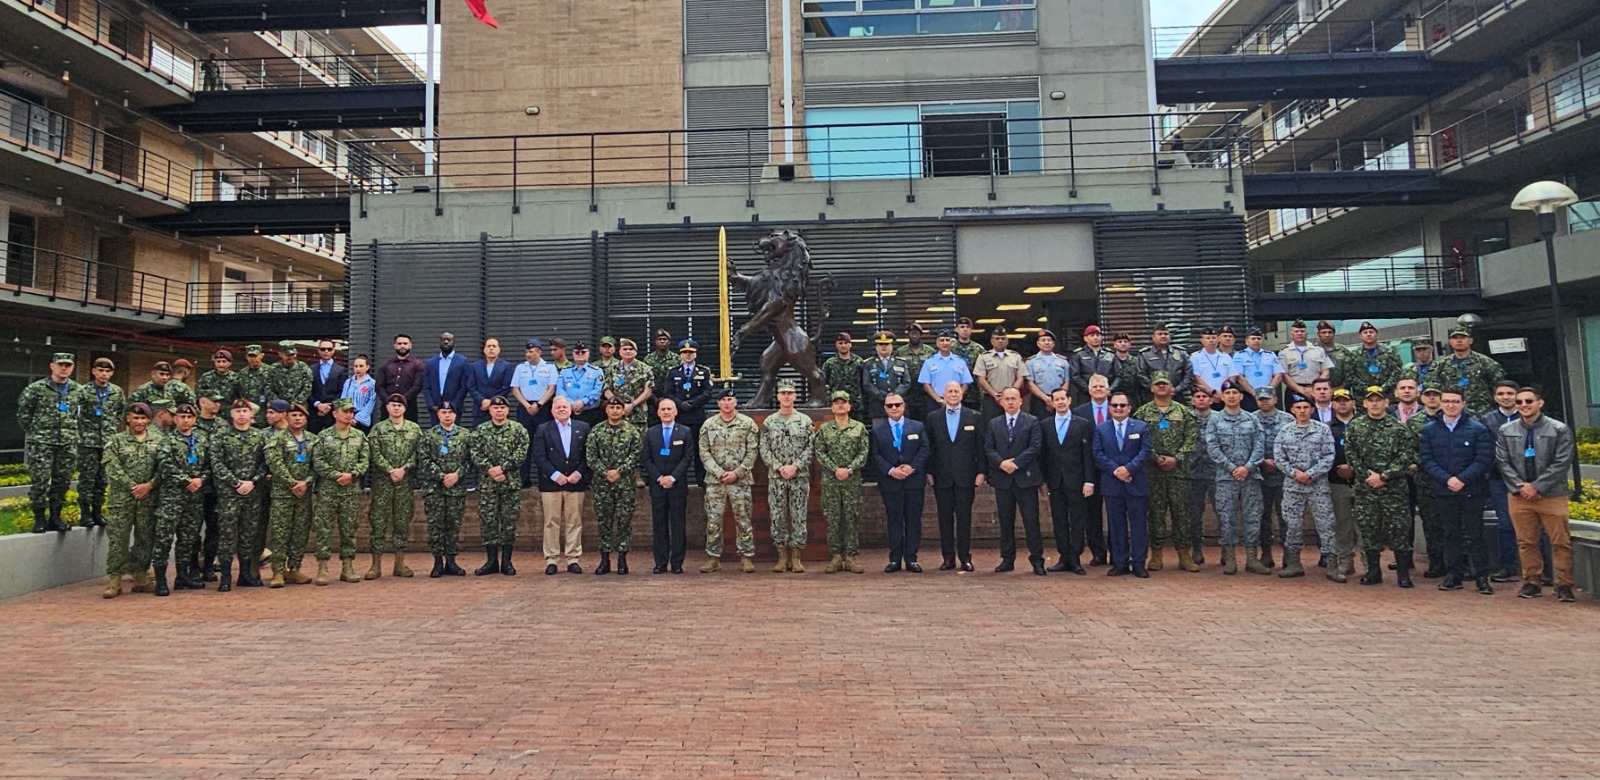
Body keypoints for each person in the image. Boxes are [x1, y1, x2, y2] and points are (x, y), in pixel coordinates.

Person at [1494, 386, 1577, 601]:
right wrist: (1520, 486)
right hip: (1519, 495)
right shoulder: (1506, 430)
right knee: (1526, 542)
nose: (1524, 405)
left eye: (1528, 401)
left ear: (1540, 403)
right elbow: (1502, 462)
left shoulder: (1559, 429)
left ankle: (1564, 584)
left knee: (1560, 542)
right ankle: (1532, 582)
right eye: (1520, 402)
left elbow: (1562, 462)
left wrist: (1537, 486)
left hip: (1552, 495)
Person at [1420, 388, 1496, 595]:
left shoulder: (1478, 429)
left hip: (1472, 490)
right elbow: (1427, 460)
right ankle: (1454, 575)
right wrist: (1448, 479)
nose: (1450, 405)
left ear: (1463, 403)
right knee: (1450, 534)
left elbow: (1483, 459)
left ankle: (1481, 577)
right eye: (1447, 401)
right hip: (1444, 490)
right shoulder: (1429, 430)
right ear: (1441, 404)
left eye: (1455, 401)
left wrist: (1462, 479)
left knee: (1475, 535)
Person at [1345, 385, 1419, 587]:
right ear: (1365, 403)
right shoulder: (1355, 426)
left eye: (1379, 400)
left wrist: (1385, 476)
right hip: (1366, 487)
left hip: (1393, 488)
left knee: (1399, 529)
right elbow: (1350, 453)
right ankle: (1373, 572)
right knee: (1369, 529)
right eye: (1371, 400)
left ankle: (1403, 574)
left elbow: (1406, 456)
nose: (1375, 403)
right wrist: (1367, 475)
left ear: (1387, 403)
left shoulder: (1399, 428)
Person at [1132, 372, 1199, 572]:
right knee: (1155, 513)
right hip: (1153, 471)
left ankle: (1184, 554)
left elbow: (1192, 438)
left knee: (1181, 513)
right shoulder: (1142, 413)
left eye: (1165, 384)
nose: (1161, 387)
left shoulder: (1184, 412)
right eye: (1158, 384)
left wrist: (1176, 458)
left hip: (1179, 472)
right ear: (1151, 388)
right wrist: (1155, 457)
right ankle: (1156, 554)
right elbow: (1137, 438)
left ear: (1172, 388)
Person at [1204, 382, 1267, 575]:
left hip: (1250, 476)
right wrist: (1232, 468)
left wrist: (1247, 467)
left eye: (1235, 393)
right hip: (1225, 477)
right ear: (1222, 397)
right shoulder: (1214, 420)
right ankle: (1230, 558)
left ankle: (1252, 558)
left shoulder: (1252, 419)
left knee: (1253, 517)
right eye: (1228, 393)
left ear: (1241, 396)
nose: (1231, 396)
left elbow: (1259, 445)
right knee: (1226, 517)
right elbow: (1212, 447)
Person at [101, 403, 162, 598]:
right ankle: (115, 580)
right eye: (135, 418)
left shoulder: (159, 440)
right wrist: (133, 486)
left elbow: (165, 467)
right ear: (127, 419)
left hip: (148, 498)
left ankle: (141, 577)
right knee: (118, 539)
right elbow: (112, 467)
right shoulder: (116, 441)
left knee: (145, 538)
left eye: (143, 418)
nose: (139, 422)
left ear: (149, 420)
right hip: (122, 499)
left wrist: (149, 485)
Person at [1274, 395, 1337, 579]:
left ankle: (1332, 564)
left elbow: (1329, 456)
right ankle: (1294, 563)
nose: (1302, 411)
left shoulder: (1323, 430)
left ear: (1312, 410)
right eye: (1298, 407)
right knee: (1292, 525)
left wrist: (1310, 473)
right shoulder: (1284, 431)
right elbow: (1279, 457)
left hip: (1317, 485)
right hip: (1293, 486)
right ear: (1292, 410)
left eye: (1305, 407)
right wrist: (1295, 474)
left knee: (1326, 524)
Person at [1482, 380, 1539, 582]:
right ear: (1495, 397)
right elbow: (1487, 451)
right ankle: (1508, 566)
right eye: (1501, 393)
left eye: (1509, 393)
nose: (1505, 397)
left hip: (1531, 480)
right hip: (1499, 480)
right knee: (1505, 524)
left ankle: (1539, 570)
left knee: (1534, 525)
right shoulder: (1487, 420)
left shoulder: (1529, 418)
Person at [984, 387, 1045, 575]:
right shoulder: (993, 423)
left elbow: (1035, 447)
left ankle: (1037, 560)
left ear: (1020, 401)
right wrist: (1001, 463)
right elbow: (988, 448)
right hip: (1003, 479)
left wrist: (1016, 463)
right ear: (1001, 402)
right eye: (1007, 399)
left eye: (1014, 399)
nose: (1010, 402)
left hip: (1025, 478)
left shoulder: (1032, 421)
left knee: (1031, 521)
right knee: (1005, 521)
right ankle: (1007, 559)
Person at [698, 388, 759, 573]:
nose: (726, 403)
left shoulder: (747, 423)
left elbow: (752, 451)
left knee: (743, 519)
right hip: (715, 482)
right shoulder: (708, 425)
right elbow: (703, 451)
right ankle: (713, 557)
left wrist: (737, 473)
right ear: (718, 403)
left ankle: (746, 557)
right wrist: (718, 472)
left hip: (740, 481)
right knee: (713, 520)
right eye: (723, 399)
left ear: (735, 402)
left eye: (730, 399)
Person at [926, 380, 984, 572]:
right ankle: (948, 558)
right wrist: (929, 472)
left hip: (966, 476)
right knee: (944, 518)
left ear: (962, 394)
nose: (953, 394)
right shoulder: (933, 417)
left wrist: (981, 472)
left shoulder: (974, 417)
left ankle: (965, 557)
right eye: (949, 391)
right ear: (943, 394)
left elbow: (980, 448)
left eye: (956, 391)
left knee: (964, 517)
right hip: (941, 476)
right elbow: (930, 448)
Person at [1093, 391, 1153, 578]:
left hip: (1136, 482)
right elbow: (1097, 453)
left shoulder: (1142, 427)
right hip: (1112, 484)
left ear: (1129, 408)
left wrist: (1128, 469)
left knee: (1138, 525)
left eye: (1122, 405)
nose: (1118, 409)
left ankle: (1138, 563)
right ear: (1109, 408)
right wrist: (1116, 470)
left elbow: (1145, 451)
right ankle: (1119, 562)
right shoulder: (1101, 429)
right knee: (1115, 525)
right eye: (1115, 406)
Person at [531, 396, 592, 575]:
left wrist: (578, 474)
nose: (562, 410)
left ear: (571, 409)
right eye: (558, 407)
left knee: (574, 521)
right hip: (551, 484)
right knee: (551, 522)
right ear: (552, 411)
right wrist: (555, 475)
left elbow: (588, 455)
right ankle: (552, 559)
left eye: (565, 407)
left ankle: (573, 559)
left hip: (575, 483)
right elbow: (539, 456)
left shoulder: (583, 428)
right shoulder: (543, 429)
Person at [210, 399, 266, 591]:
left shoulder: (259, 437)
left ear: (251, 415)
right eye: (238, 411)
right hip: (229, 495)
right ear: (231, 415)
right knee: (227, 536)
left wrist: (253, 481)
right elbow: (216, 464)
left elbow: (265, 463)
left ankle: (245, 574)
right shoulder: (221, 436)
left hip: (252, 493)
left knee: (248, 535)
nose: (241, 414)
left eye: (245, 411)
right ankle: (225, 577)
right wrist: (236, 482)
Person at [311, 399, 368, 585]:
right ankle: (323, 567)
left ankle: (348, 566)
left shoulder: (359, 436)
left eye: (352, 411)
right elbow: (318, 461)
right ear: (335, 413)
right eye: (345, 411)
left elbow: (365, 461)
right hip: (328, 489)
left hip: (351, 490)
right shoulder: (323, 436)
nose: (349, 414)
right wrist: (337, 475)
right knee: (323, 528)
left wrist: (352, 474)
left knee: (349, 528)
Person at [153, 403, 209, 592]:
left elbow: (211, 464)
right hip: (172, 498)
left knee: (188, 538)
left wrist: (201, 479)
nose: (185, 420)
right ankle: (161, 580)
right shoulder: (167, 441)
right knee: (164, 538)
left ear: (194, 420)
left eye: (189, 417)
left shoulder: (202, 440)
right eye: (181, 417)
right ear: (175, 419)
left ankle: (182, 576)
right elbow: (165, 465)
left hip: (195, 498)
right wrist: (187, 481)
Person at [470, 396, 528, 576]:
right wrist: (490, 469)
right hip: (488, 484)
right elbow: (475, 452)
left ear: (508, 410)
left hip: (509, 483)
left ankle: (507, 561)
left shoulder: (518, 430)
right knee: (489, 521)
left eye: (502, 408)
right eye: (495, 408)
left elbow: (521, 452)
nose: (499, 411)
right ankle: (491, 560)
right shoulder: (481, 430)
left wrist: (503, 468)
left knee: (509, 522)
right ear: (490, 410)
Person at [760, 379, 814, 573]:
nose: (786, 396)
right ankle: (782, 556)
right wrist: (778, 467)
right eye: (783, 393)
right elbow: (764, 448)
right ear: (777, 396)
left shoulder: (805, 421)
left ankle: (797, 557)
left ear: (795, 396)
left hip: (799, 477)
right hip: (776, 477)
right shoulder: (769, 422)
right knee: (777, 516)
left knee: (799, 515)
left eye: (790, 393)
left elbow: (810, 447)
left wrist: (795, 467)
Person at [871, 392, 929, 573]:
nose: (894, 408)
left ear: (904, 406)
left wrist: (912, 467)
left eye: (897, 404)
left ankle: (911, 558)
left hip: (913, 481)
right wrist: (891, 470)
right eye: (890, 406)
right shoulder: (877, 430)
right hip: (891, 482)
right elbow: (875, 455)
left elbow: (925, 449)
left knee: (913, 520)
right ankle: (895, 559)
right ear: (885, 408)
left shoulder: (917, 427)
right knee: (894, 520)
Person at [367, 394, 422, 579]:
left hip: (404, 483)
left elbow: (418, 453)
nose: (396, 408)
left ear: (405, 408)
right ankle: (376, 565)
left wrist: (404, 469)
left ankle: (400, 563)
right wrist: (390, 469)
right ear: (387, 407)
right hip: (383, 483)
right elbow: (374, 453)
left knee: (402, 521)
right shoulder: (378, 429)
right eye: (393, 405)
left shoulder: (414, 429)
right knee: (378, 522)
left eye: (400, 405)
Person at [586, 396, 643, 575]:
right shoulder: (596, 431)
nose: (615, 411)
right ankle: (604, 559)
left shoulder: (632, 431)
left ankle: (622, 558)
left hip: (624, 483)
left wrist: (619, 471)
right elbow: (591, 456)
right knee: (604, 521)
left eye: (618, 407)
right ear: (606, 410)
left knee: (624, 521)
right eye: (612, 407)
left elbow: (636, 455)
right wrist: (605, 472)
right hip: (602, 484)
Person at [1041, 388, 1095, 574]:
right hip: (1055, 480)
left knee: (1078, 519)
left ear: (1069, 400)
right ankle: (1063, 557)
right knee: (1059, 520)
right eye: (1056, 399)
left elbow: (1088, 455)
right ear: (1052, 402)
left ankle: (1075, 558)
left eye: (1063, 398)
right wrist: (1043, 480)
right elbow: (1043, 455)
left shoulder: (1083, 424)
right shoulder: (1046, 425)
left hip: (1077, 480)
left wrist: (1089, 481)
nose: (1061, 402)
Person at [815, 391, 869, 574]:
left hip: (852, 480)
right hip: (831, 480)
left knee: (851, 517)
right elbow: (820, 453)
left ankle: (852, 556)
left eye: (843, 402)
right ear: (831, 407)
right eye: (836, 403)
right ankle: (836, 556)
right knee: (833, 518)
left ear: (849, 406)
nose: (840, 405)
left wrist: (850, 469)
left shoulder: (859, 428)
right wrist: (835, 469)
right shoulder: (824, 429)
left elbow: (863, 453)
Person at [263, 403, 316, 588]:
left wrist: (306, 482)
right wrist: (291, 482)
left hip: (304, 494)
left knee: (300, 532)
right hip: (283, 493)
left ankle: (294, 568)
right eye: (293, 415)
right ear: (287, 417)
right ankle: (278, 571)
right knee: (280, 532)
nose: (298, 418)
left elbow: (316, 466)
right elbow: (274, 463)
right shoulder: (278, 439)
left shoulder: (312, 440)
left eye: (301, 416)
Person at [419, 400, 471, 578]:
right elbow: (424, 460)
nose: (447, 416)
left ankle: (451, 561)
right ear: (438, 414)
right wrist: (442, 476)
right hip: (435, 488)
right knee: (436, 525)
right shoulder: (429, 435)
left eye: (450, 413)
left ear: (455, 415)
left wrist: (457, 474)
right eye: (443, 412)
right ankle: (437, 562)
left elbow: (470, 461)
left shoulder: (465, 435)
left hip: (456, 488)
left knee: (453, 525)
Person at [644, 398, 693, 574]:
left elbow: (687, 458)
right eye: (663, 409)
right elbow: (646, 459)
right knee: (659, 525)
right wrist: (659, 478)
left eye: (669, 409)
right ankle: (661, 562)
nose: (666, 412)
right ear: (658, 412)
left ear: (675, 412)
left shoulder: (685, 432)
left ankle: (678, 562)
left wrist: (672, 477)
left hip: (677, 485)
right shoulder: (650, 433)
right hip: (657, 486)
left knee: (678, 524)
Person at [75, 356, 125, 529]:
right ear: (94, 371)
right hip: (88, 442)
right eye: (101, 370)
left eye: (107, 371)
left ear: (111, 373)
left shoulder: (116, 392)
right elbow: (75, 413)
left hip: (107, 443)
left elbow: (120, 413)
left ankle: (97, 511)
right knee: (87, 479)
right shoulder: (83, 391)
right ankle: (85, 513)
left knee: (102, 479)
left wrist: (110, 428)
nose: (104, 374)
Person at [658, 339, 714, 486]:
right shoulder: (673, 372)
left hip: (696, 416)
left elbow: (708, 393)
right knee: (677, 449)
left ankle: (701, 480)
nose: (688, 355)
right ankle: (677, 479)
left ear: (695, 354)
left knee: (698, 449)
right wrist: (680, 404)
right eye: (685, 353)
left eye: (691, 353)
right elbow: (667, 392)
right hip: (679, 416)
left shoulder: (704, 371)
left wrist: (693, 403)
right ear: (680, 355)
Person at [1072, 375, 1115, 565]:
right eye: (1095, 386)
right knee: (1092, 514)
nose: (1098, 389)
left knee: (1115, 513)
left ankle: (1118, 551)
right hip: (1089, 471)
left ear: (1108, 390)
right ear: (1089, 390)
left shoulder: (1117, 409)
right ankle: (1098, 553)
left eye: (1102, 386)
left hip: (1114, 470)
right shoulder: (1079, 413)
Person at [1424, 325, 1506, 419]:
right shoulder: (1441, 365)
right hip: (1451, 413)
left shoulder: (1486, 363)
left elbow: (1499, 389)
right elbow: (1434, 389)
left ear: (1470, 340)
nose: (1459, 341)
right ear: (1450, 341)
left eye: (1463, 337)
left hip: (1481, 414)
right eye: (1455, 338)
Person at [1253, 389, 1293, 569]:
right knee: (1262, 516)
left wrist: (1279, 463)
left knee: (1286, 517)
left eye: (1268, 399)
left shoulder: (1288, 420)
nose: (1264, 402)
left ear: (1275, 399)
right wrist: (1261, 461)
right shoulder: (1250, 419)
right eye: (1261, 399)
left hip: (1284, 476)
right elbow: (1246, 446)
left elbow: (1295, 446)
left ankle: (1289, 554)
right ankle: (1266, 553)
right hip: (1259, 476)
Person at [511, 338, 559, 483]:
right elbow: (515, 389)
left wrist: (539, 404)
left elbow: (552, 389)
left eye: (531, 352)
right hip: (525, 408)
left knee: (543, 443)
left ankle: (543, 479)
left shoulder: (549, 368)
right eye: (527, 352)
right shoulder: (520, 368)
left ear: (539, 352)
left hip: (543, 408)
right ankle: (524, 480)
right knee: (524, 443)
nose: (528, 354)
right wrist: (526, 405)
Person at [1326, 388, 1359, 577]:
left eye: (1346, 400)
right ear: (1333, 404)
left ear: (1353, 403)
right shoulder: (1327, 428)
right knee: (1342, 524)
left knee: (1364, 525)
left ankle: (1369, 562)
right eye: (1338, 400)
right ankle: (1345, 560)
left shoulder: (1364, 425)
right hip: (1336, 482)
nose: (1342, 403)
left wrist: (1354, 467)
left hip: (1363, 482)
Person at [1187, 387, 1218, 564]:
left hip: (1215, 471)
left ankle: (1225, 551)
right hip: (1193, 471)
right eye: (1197, 396)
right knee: (1194, 514)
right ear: (1192, 400)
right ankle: (1197, 550)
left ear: (1210, 400)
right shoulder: (1186, 417)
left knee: (1221, 511)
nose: (1200, 399)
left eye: (1204, 397)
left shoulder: (1219, 418)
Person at [975, 327, 1028, 420]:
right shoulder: (984, 357)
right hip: (991, 399)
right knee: (990, 426)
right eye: (997, 338)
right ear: (992, 340)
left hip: (1011, 399)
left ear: (1007, 340)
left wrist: (1011, 392)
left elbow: (1021, 376)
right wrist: (994, 395)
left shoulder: (1015, 356)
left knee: (1013, 423)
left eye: (1003, 338)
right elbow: (981, 378)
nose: (1000, 341)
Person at [602, 338, 655, 429]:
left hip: (638, 415)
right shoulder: (612, 369)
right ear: (620, 352)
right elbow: (606, 390)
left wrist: (632, 405)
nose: (628, 351)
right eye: (625, 349)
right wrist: (619, 405)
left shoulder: (645, 369)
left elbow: (648, 391)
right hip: (617, 414)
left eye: (631, 349)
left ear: (636, 352)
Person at [1135, 323, 1192, 407]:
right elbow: (1141, 375)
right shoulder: (1145, 354)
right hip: (1152, 398)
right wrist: (1157, 389)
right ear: (1153, 337)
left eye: (1166, 334)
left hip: (1177, 396)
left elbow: (1188, 374)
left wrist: (1176, 389)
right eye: (1160, 334)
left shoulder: (1181, 353)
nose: (1163, 336)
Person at [423, 332, 470, 427]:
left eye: (449, 340)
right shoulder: (431, 363)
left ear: (454, 342)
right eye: (443, 340)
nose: (446, 342)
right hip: (435, 408)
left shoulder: (462, 361)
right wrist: (431, 405)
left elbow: (464, 386)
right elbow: (426, 386)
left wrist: (454, 405)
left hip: (454, 408)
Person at [862, 331, 911, 421]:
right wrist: (882, 396)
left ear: (891, 346)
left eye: (886, 344)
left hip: (898, 406)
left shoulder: (901, 363)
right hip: (878, 407)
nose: (884, 347)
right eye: (881, 344)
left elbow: (906, 382)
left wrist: (894, 396)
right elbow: (867, 384)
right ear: (876, 347)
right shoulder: (869, 364)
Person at [917, 329, 974, 406]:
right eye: (942, 340)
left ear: (951, 343)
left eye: (947, 340)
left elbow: (965, 383)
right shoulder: (929, 362)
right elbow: (926, 385)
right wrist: (939, 400)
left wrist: (957, 398)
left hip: (956, 401)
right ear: (937, 343)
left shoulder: (960, 362)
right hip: (935, 402)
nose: (945, 343)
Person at [1278, 320, 1332, 401]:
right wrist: (1301, 390)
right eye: (1296, 331)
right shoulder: (1284, 352)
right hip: (1294, 391)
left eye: (1302, 331)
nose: (1299, 333)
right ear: (1291, 334)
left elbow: (1326, 371)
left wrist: (1315, 387)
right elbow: (1284, 375)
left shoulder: (1318, 350)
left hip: (1316, 391)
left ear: (1306, 333)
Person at [822, 332, 868, 423]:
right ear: (836, 345)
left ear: (850, 344)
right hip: (837, 405)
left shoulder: (858, 362)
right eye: (840, 343)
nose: (843, 346)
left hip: (855, 405)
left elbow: (865, 383)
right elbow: (824, 383)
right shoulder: (830, 363)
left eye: (846, 343)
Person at [376, 333, 425, 419]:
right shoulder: (386, 365)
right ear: (395, 346)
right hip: (387, 409)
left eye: (405, 343)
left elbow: (417, 386)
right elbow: (379, 386)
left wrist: (401, 401)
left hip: (409, 408)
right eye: (399, 343)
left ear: (410, 346)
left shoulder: (418, 365)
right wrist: (389, 402)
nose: (402, 346)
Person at [468, 337, 514, 428]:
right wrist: (481, 400)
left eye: (494, 346)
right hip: (480, 408)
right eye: (489, 346)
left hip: (499, 408)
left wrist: (491, 402)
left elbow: (506, 387)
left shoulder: (506, 366)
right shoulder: (475, 366)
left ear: (499, 349)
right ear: (484, 350)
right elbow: (471, 386)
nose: (491, 348)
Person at [1232, 328, 1281, 412]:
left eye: (1258, 338)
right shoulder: (1239, 355)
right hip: (1249, 396)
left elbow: (1278, 375)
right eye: (1253, 338)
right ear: (1246, 341)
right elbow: (1239, 377)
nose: (1256, 341)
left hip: (1268, 396)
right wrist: (1254, 394)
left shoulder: (1270, 355)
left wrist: (1267, 391)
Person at [1025, 329, 1072, 418]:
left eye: (1049, 340)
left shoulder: (1063, 361)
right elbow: (1030, 383)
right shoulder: (1031, 362)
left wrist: (1059, 397)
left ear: (1053, 344)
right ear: (1038, 343)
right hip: (1039, 400)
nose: (1046, 343)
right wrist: (1046, 399)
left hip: (1060, 400)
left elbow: (1066, 381)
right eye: (1043, 340)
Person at [894, 323, 936, 419]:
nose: (914, 336)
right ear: (907, 335)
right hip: (907, 394)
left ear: (921, 335)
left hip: (926, 394)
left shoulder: (930, 351)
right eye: (912, 333)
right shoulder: (900, 352)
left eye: (917, 333)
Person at [559, 343, 604, 427]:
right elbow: (560, 390)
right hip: (569, 411)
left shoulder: (597, 371)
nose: (580, 354)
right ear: (573, 354)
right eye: (577, 352)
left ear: (588, 353)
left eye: (583, 352)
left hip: (590, 412)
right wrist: (571, 403)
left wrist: (583, 402)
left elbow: (597, 390)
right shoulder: (564, 371)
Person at [1351, 322, 1403, 395]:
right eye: (1365, 332)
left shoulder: (1390, 351)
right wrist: (1365, 389)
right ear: (1360, 336)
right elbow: (1351, 375)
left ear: (1377, 335)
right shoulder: (1354, 355)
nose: (1368, 334)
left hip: (1387, 395)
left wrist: (1384, 387)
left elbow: (1397, 371)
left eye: (1371, 332)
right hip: (1362, 397)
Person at [1069, 325, 1115, 407]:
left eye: (1098, 335)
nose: (1095, 338)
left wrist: (1109, 389)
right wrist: (1089, 389)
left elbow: (1118, 375)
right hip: (1085, 394)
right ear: (1085, 338)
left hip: (1107, 394)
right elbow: (1074, 375)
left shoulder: (1110, 354)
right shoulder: (1078, 354)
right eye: (1092, 335)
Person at [308, 340, 346, 434]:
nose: (326, 351)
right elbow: (307, 390)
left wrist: (329, 406)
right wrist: (318, 404)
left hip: (332, 412)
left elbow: (341, 391)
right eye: (323, 349)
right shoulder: (311, 369)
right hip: (315, 412)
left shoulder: (340, 370)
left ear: (333, 351)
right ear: (318, 350)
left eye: (329, 349)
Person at [1190, 328, 1233, 404]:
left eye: (1214, 338)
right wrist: (1213, 392)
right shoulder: (1195, 357)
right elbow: (1197, 378)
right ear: (1202, 340)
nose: (1211, 340)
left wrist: (1227, 392)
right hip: (1205, 397)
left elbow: (1232, 376)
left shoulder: (1226, 357)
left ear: (1218, 339)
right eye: (1208, 338)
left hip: (1225, 397)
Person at [130, 360, 197, 409]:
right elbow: (130, 412)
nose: (165, 377)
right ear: (153, 374)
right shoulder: (142, 391)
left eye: (167, 375)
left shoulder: (169, 390)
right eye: (161, 374)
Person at [265, 341, 312, 408]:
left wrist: (295, 403)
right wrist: (279, 403)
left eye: (292, 354)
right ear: (280, 354)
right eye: (287, 355)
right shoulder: (273, 369)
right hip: (278, 407)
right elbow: (268, 388)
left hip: (298, 407)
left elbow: (307, 388)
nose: (290, 357)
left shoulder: (303, 368)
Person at [952, 317, 985, 409]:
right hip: (954, 392)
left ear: (971, 330)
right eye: (962, 327)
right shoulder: (950, 347)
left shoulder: (978, 349)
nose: (965, 329)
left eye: (967, 327)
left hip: (974, 393)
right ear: (956, 330)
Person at [339, 354, 378, 432]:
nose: (358, 369)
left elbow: (371, 403)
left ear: (367, 367)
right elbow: (343, 400)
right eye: (356, 366)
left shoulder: (372, 383)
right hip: (348, 417)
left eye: (361, 366)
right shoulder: (349, 382)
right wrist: (347, 416)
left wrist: (357, 418)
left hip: (362, 419)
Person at [641, 328, 679, 409]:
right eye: (659, 339)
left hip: (673, 400)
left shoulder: (676, 359)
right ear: (656, 342)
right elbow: (644, 381)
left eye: (665, 339)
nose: (662, 341)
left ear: (669, 342)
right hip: (652, 401)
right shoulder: (648, 359)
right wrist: (654, 399)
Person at [236, 345, 271, 420]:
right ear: (246, 357)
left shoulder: (270, 371)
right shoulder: (242, 373)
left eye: (255, 356)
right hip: (246, 414)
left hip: (264, 414)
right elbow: (238, 392)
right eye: (250, 356)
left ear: (261, 355)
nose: (253, 359)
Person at [1315, 321, 1350, 390]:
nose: (1327, 335)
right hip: (1319, 391)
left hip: (1340, 391)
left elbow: (1350, 373)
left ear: (1334, 334)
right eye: (1324, 332)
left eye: (1330, 332)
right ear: (1318, 334)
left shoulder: (1343, 350)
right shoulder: (1312, 350)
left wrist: (1339, 388)